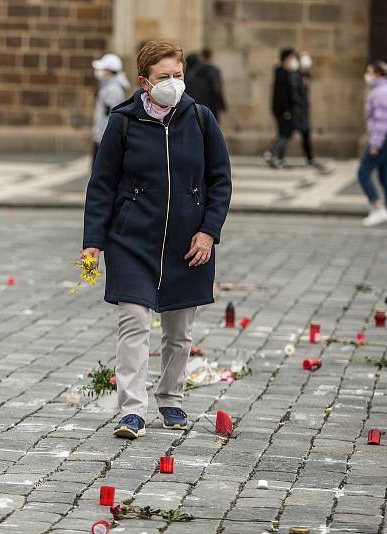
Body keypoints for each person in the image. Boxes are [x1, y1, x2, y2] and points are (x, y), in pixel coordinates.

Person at [82, 39, 232, 438]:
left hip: (188, 243)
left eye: (178, 75)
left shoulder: (201, 119)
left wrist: (208, 232)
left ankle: (171, 399)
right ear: (145, 81)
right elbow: (101, 185)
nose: (173, 83)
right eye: (164, 76)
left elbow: (220, 181)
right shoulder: (123, 120)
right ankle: (131, 409)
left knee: (178, 331)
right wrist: (92, 242)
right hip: (132, 241)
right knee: (134, 322)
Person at [358, 61, 387, 229]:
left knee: (362, 173)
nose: (367, 75)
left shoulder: (380, 93)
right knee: (386, 175)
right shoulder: (386, 90)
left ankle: (378, 209)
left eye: (369, 72)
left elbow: (381, 122)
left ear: (378, 74)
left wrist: (375, 145)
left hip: (383, 138)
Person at [264, 48, 301, 169]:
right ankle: (270, 153)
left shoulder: (286, 73)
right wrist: (286, 110)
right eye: (292, 58)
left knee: (284, 133)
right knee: (285, 133)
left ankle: (280, 158)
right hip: (283, 110)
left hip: (284, 109)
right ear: (286, 59)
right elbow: (282, 94)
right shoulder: (282, 73)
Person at [91, 53, 130, 166]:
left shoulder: (113, 89)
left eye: (103, 69)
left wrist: (101, 136)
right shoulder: (109, 86)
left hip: (104, 138)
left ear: (110, 71)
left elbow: (108, 116)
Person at [294, 51, 327, 172]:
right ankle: (273, 154)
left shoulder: (305, 74)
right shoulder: (296, 74)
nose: (307, 60)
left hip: (303, 110)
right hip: (298, 110)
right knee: (285, 134)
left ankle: (310, 158)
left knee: (305, 134)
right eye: (304, 57)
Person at [184, 48, 227, 123]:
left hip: (193, 108)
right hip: (210, 109)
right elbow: (217, 89)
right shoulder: (213, 71)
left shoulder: (190, 72)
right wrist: (220, 107)